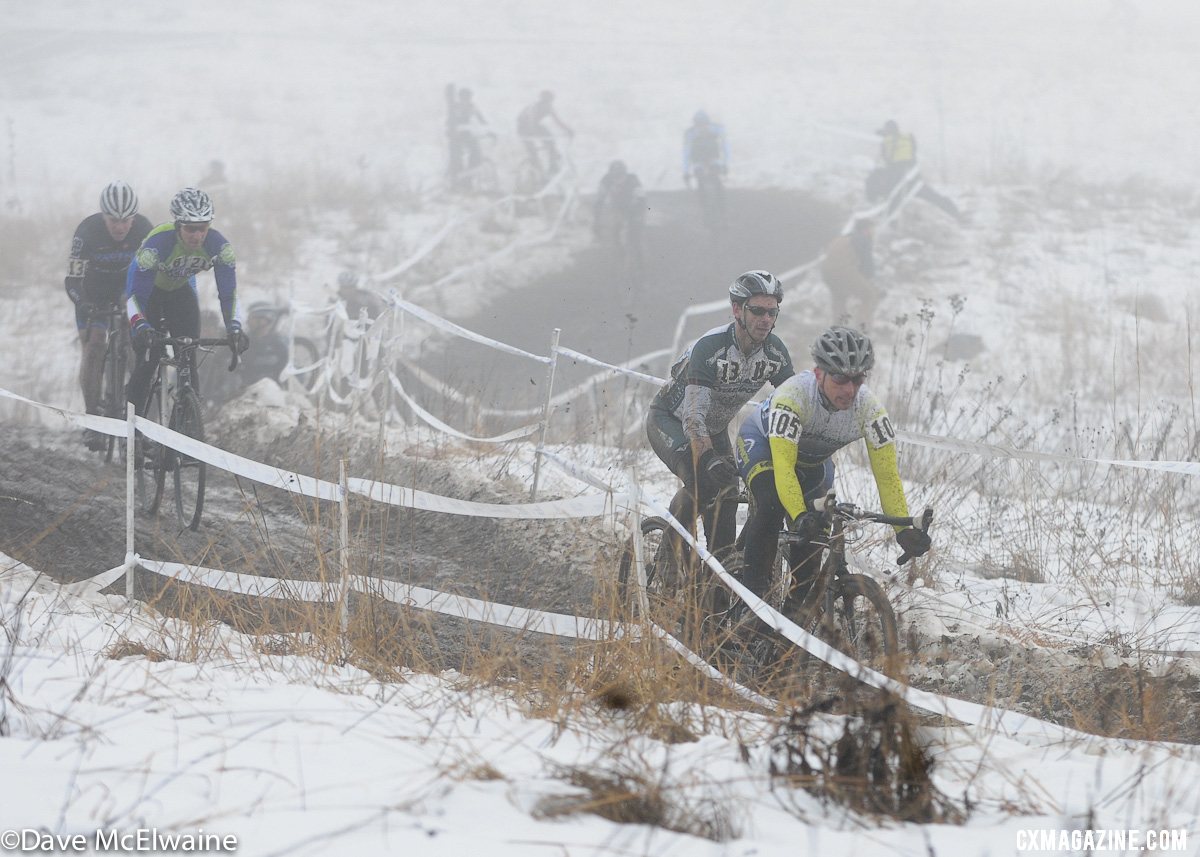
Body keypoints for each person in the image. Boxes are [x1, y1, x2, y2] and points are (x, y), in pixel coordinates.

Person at [734, 326, 930, 615]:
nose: (849, 389)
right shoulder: (795, 396)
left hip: (813, 464)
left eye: (857, 379)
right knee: (772, 505)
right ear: (818, 374)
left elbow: (887, 478)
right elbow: (784, 468)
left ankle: (790, 625)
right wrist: (799, 515)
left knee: (812, 545)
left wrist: (902, 528)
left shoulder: (870, 411)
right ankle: (751, 604)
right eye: (839, 378)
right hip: (764, 447)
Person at [646, 271, 795, 568]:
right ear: (737, 310)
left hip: (713, 428)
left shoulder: (775, 352)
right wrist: (708, 458)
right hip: (672, 422)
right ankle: (669, 557)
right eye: (757, 311)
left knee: (727, 508)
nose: (765, 319)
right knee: (705, 484)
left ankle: (716, 577)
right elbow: (693, 416)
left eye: (772, 311)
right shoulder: (711, 348)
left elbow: (794, 403)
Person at [125, 187, 248, 417]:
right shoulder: (157, 245)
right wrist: (140, 326)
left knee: (188, 355)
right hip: (148, 293)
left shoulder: (221, 248)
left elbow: (228, 294)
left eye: (202, 228)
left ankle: (188, 423)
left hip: (179, 292)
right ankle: (131, 428)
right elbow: (134, 297)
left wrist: (234, 328)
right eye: (190, 229)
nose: (197, 235)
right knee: (149, 358)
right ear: (178, 225)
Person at [65, 181, 153, 450]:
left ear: (133, 218)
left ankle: (133, 408)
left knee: (133, 345)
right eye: (114, 220)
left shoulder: (144, 230)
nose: (120, 227)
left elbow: (152, 275)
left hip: (126, 290)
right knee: (94, 345)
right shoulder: (87, 232)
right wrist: (85, 305)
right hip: (92, 292)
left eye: (126, 221)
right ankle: (93, 418)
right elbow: (72, 280)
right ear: (103, 216)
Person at [866, 120, 965, 223]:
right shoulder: (908, 138)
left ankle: (880, 219)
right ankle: (955, 213)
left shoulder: (886, 142)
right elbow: (913, 152)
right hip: (913, 176)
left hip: (896, 178)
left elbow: (887, 159)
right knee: (934, 197)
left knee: (892, 200)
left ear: (886, 131)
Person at [819, 217, 883, 328]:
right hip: (844, 271)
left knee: (840, 297)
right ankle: (863, 328)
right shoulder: (862, 239)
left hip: (827, 272)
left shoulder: (843, 238)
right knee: (870, 295)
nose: (874, 232)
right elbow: (866, 264)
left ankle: (838, 329)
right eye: (872, 229)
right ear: (866, 230)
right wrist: (870, 281)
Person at [592, 160, 646, 276]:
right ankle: (621, 261)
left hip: (634, 208)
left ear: (625, 174)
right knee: (615, 235)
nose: (617, 181)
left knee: (634, 238)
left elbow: (641, 200)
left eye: (620, 177)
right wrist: (596, 220)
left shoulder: (633, 180)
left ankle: (640, 266)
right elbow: (599, 201)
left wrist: (638, 216)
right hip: (618, 209)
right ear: (610, 175)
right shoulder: (606, 180)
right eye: (614, 177)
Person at [516, 90, 573, 177]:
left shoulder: (549, 107)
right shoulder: (534, 107)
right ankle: (537, 170)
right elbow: (532, 121)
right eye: (546, 101)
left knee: (551, 143)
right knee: (533, 153)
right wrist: (534, 135)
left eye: (549, 102)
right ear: (542, 100)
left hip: (535, 125)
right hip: (523, 128)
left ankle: (552, 166)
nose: (548, 104)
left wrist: (568, 130)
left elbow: (557, 121)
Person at [444, 84, 489, 187]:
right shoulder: (454, 107)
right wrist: (451, 130)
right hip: (455, 135)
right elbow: (448, 122)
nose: (466, 100)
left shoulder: (472, 107)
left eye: (468, 98)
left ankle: (467, 178)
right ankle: (457, 178)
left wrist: (488, 130)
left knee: (476, 153)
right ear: (460, 98)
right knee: (457, 156)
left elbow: (482, 120)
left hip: (466, 134)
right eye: (464, 98)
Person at [682, 110, 728, 187]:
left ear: (708, 123)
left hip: (713, 155)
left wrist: (725, 164)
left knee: (715, 168)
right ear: (695, 125)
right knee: (699, 172)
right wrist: (686, 171)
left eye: (704, 125)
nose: (702, 128)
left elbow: (725, 146)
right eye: (699, 125)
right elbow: (687, 153)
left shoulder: (716, 129)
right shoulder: (690, 133)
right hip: (698, 157)